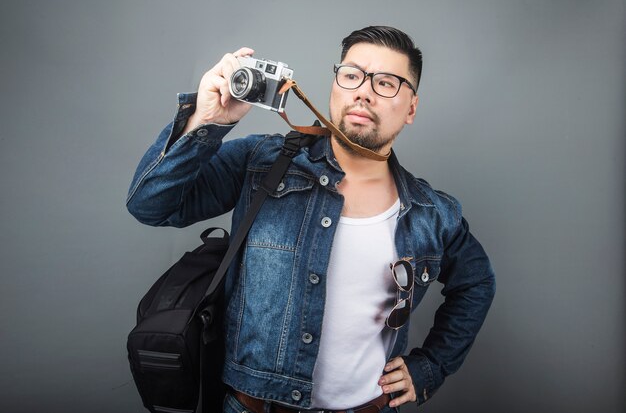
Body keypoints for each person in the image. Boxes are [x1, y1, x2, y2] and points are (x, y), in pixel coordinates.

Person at [127, 25, 495, 413]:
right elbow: (151, 204)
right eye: (352, 75)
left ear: (411, 108)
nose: (363, 91)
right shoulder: (263, 162)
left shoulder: (431, 213)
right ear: (335, 84)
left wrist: (431, 366)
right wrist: (207, 121)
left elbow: (477, 283)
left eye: (386, 82)